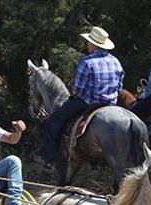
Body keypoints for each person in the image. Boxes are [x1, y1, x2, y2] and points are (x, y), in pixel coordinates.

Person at [30, 26, 124, 170]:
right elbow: (119, 86)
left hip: (89, 102)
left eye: (89, 42)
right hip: (111, 104)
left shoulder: (87, 62)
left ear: (93, 44)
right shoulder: (115, 61)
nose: (87, 44)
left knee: (56, 118)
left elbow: (79, 88)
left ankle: (48, 157)